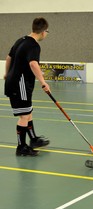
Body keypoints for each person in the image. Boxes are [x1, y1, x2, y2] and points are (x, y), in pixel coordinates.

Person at [4, 17, 51, 156]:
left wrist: (7, 74)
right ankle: (21, 147)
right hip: (20, 84)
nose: (46, 34)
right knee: (24, 116)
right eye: (47, 31)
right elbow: (33, 64)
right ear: (43, 32)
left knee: (28, 111)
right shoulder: (34, 45)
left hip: (16, 82)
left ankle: (33, 139)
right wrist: (43, 82)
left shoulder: (21, 40)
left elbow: (8, 58)